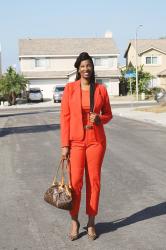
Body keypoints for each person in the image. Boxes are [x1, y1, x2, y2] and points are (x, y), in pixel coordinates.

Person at [60, 52, 113, 240]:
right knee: (75, 184)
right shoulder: (69, 89)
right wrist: (64, 145)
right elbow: (65, 118)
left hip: (96, 141)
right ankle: (74, 220)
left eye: (88, 66)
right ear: (78, 69)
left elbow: (108, 114)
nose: (86, 69)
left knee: (94, 181)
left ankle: (91, 221)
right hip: (75, 142)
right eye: (82, 66)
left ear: (92, 68)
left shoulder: (101, 90)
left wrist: (100, 118)